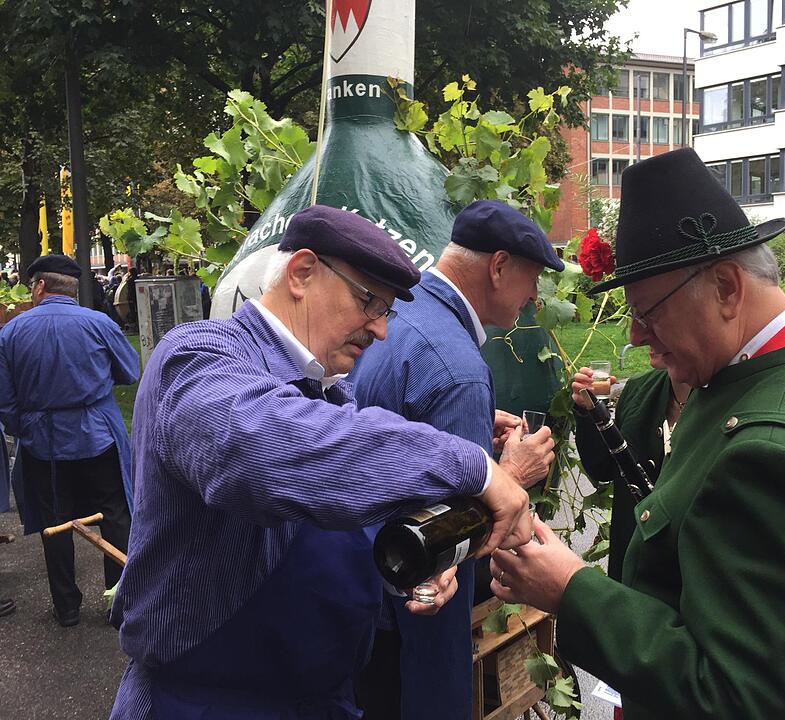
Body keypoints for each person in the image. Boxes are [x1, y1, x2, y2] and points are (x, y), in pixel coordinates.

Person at [489, 148, 785, 719]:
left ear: (728, 289)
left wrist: (572, 589)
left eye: (648, 312)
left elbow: (732, 697)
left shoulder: (767, 451)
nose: (635, 338)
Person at [109, 205, 535, 720]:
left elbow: (342, 510)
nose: (380, 330)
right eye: (369, 301)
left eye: (387, 311)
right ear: (302, 272)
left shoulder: (332, 395)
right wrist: (476, 467)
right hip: (208, 701)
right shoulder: (198, 356)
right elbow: (266, 448)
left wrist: (411, 563)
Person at [348, 200, 561, 720]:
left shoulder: (394, 312)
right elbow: (446, 528)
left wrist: (472, 433)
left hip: (355, 597)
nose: (534, 296)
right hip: (413, 615)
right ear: (499, 266)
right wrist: (511, 476)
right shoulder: (455, 365)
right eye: (532, 278)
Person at [0, 255, 138, 627]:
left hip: (43, 442)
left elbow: (5, 400)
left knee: (54, 522)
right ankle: (120, 602)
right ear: (72, 287)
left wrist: (25, 429)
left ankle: (66, 608)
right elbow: (129, 371)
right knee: (114, 514)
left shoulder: (10, 332)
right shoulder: (99, 323)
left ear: (40, 286)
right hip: (98, 435)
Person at [572, 351, 690, 585]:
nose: (638, 337)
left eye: (653, 315)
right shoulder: (638, 390)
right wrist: (589, 411)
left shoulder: (725, 401)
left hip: (682, 583)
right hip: (628, 571)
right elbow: (602, 468)